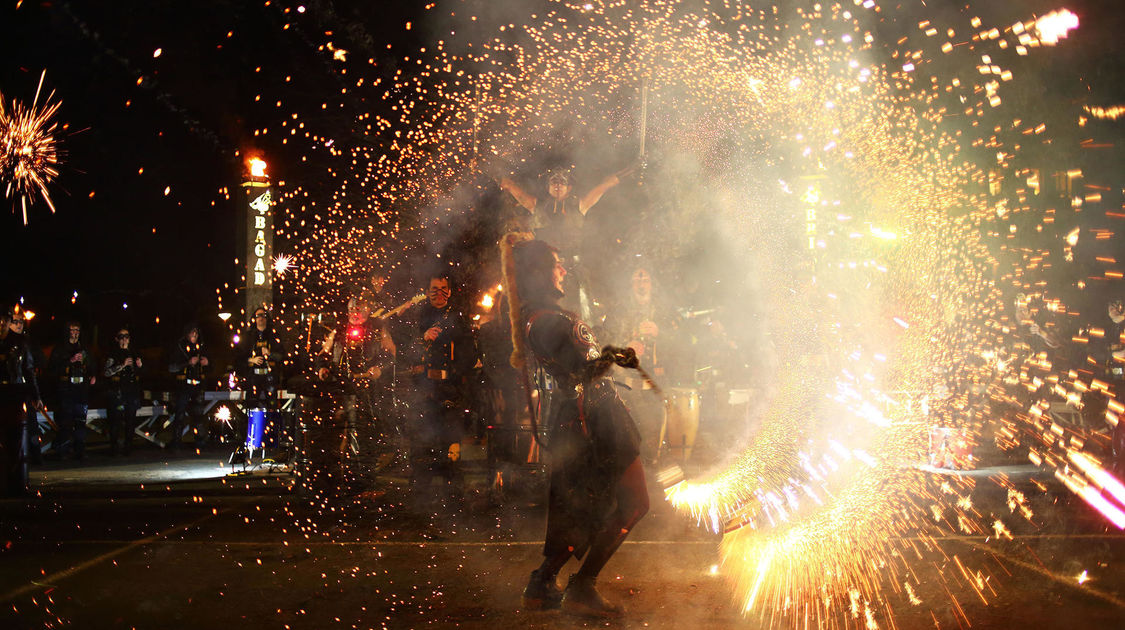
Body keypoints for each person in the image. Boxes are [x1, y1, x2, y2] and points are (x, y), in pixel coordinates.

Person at [505, 236, 648, 618]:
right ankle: (582, 588)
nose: (563, 270)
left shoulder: (537, 317)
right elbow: (585, 371)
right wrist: (622, 352)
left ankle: (541, 584)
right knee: (634, 503)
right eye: (556, 264)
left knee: (579, 508)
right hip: (596, 421)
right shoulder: (550, 320)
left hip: (579, 419)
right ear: (538, 272)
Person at [496, 165, 635, 317]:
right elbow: (511, 187)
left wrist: (631, 168)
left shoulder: (580, 205)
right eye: (554, 182)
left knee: (582, 313)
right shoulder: (536, 206)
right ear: (548, 186)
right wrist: (493, 174)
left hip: (573, 270)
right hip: (543, 271)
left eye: (562, 182)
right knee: (542, 310)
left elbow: (605, 185)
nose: (557, 185)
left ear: (569, 188)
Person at [406, 273, 476, 506]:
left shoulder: (458, 317)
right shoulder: (419, 316)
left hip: (451, 389)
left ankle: (454, 492)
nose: (439, 293)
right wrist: (422, 338)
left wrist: (457, 373)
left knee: (451, 439)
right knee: (423, 438)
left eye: (444, 288)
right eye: (434, 288)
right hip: (424, 389)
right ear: (427, 291)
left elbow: (469, 351)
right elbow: (406, 348)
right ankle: (421, 492)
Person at [316, 291, 397, 488]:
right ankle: (337, 479)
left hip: (368, 390)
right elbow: (324, 353)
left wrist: (379, 368)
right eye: (351, 309)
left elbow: (391, 353)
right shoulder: (339, 330)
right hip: (341, 389)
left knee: (365, 433)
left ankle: (364, 480)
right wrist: (323, 368)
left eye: (359, 309)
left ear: (368, 310)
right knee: (338, 433)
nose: (355, 313)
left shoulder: (378, 328)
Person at [0, 308, 40, 495]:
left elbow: (28, 369)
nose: (2, 325)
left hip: (14, 395)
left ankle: (16, 483)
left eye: (5, 321)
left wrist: (35, 395)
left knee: (16, 440)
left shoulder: (19, 343)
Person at [237, 307, 287, 449]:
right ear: (254, 318)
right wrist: (251, 360)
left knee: (272, 407)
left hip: (270, 376)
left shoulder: (274, 335)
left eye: (264, 316)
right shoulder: (248, 337)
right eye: (258, 316)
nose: (261, 318)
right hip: (253, 376)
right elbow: (238, 358)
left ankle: (272, 439)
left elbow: (282, 356)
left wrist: (270, 354)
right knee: (251, 406)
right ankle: (249, 438)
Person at [48, 321, 95, 460]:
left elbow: (92, 365)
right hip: (66, 389)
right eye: (72, 330)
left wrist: (93, 375)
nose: (75, 333)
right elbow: (52, 369)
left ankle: (79, 450)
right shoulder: (60, 349)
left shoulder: (84, 349)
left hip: (81, 389)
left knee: (81, 420)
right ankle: (63, 450)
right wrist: (70, 360)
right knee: (65, 421)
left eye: (77, 330)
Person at [168, 324, 209, 448]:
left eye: (196, 333)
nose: (194, 335)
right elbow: (172, 367)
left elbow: (210, 366)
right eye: (192, 332)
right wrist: (187, 363)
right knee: (180, 414)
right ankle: (176, 441)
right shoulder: (179, 347)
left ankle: (200, 441)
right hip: (183, 386)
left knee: (198, 415)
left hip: (197, 386)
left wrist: (207, 363)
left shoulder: (201, 347)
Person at [104, 326, 143, 456]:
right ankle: (114, 447)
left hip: (131, 391)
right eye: (121, 337)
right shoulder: (112, 353)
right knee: (115, 420)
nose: (124, 339)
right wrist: (122, 365)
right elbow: (106, 372)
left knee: (131, 420)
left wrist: (140, 366)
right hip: (117, 391)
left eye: (126, 337)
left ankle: (128, 447)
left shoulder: (134, 352)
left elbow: (142, 372)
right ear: (117, 339)